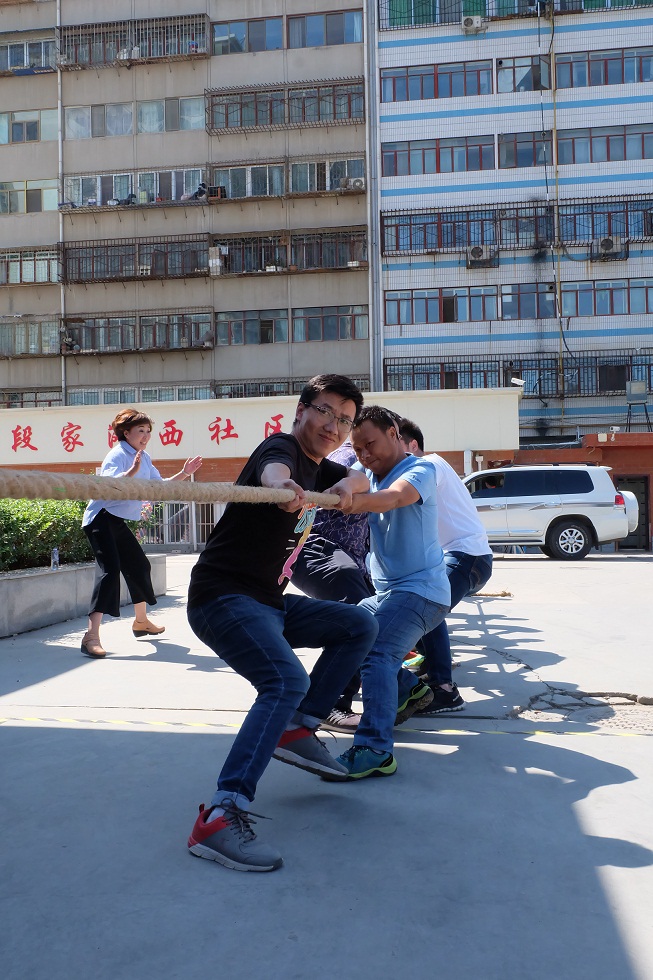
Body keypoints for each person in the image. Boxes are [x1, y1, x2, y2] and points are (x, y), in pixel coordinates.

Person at [185, 375, 378, 872]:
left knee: (359, 625)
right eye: (325, 411)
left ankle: (298, 728)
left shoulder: (321, 466)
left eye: (345, 420)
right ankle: (220, 814)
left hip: (268, 602)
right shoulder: (282, 449)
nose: (333, 426)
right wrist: (280, 488)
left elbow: (361, 478)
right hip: (222, 597)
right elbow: (274, 470)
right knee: (285, 680)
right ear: (301, 410)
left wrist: (347, 485)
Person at [323, 405, 450, 781]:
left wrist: (353, 501)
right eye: (357, 448)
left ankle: (375, 749)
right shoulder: (366, 471)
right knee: (348, 631)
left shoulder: (420, 469)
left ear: (394, 433)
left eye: (371, 444)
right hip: (388, 593)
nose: (364, 454)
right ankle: (408, 688)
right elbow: (355, 480)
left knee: (377, 652)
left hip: (422, 591)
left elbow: (394, 498)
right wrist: (341, 489)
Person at [81, 409, 202, 659]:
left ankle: (141, 622)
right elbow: (110, 485)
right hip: (100, 517)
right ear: (126, 433)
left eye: (148, 431)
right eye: (140, 431)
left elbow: (159, 487)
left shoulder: (143, 457)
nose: (146, 436)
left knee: (139, 566)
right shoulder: (117, 454)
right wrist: (132, 472)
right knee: (110, 571)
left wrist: (185, 472)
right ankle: (91, 636)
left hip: (116, 520)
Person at [398, 418, 493, 714]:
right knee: (422, 602)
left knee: (427, 605)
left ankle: (445, 690)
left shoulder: (430, 465)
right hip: (460, 555)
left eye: (393, 444)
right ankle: (431, 668)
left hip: (467, 555)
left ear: (413, 445)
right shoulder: (426, 468)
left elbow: (398, 496)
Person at [290, 439, 373, 733]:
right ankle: (330, 704)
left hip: (347, 558)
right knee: (361, 618)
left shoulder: (373, 467)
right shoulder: (348, 457)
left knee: (371, 619)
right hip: (320, 549)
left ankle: (397, 689)